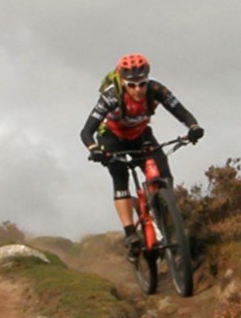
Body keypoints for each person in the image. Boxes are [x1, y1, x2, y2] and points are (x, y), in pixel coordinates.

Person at [80, 53, 204, 257]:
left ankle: (162, 216)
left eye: (142, 84)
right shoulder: (111, 96)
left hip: (140, 134)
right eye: (131, 85)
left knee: (163, 172)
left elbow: (181, 112)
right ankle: (130, 233)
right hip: (112, 137)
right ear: (123, 82)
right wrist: (94, 150)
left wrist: (194, 127)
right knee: (120, 176)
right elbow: (86, 132)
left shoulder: (156, 90)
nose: (138, 89)